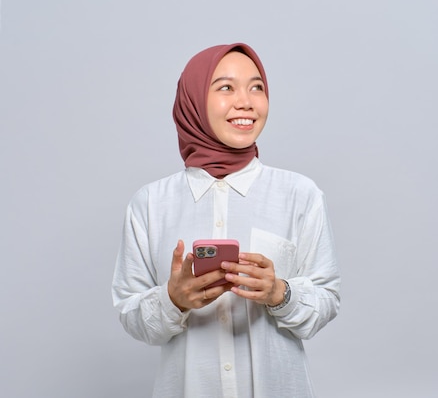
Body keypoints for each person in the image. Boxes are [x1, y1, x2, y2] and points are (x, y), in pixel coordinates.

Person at [111, 43, 340, 398]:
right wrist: (174, 300)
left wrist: (279, 292)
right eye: (225, 87)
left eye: (257, 87)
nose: (246, 101)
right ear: (194, 101)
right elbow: (132, 315)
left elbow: (326, 299)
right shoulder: (150, 204)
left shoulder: (299, 194)